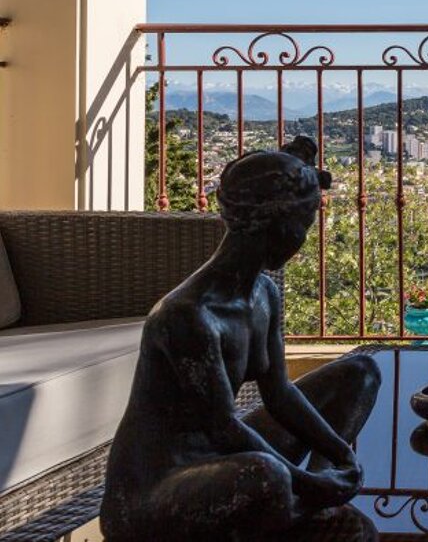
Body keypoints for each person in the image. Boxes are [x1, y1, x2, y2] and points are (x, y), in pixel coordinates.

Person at [100, 137, 381, 541]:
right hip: (157, 494)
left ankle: (319, 493)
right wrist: (302, 479)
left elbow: (279, 393)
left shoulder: (264, 293)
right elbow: (223, 429)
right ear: (275, 227)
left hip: (226, 462)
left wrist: (340, 456)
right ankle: (303, 497)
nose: (302, 243)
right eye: (302, 229)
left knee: (361, 372)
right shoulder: (188, 316)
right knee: (266, 475)